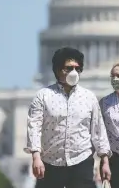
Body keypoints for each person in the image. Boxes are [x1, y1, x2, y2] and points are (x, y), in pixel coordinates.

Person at [25, 47, 112, 188]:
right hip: (50, 162)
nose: (74, 72)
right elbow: (34, 127)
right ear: (58, 70)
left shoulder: (89, 98)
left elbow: (98, 131)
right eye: (68, 68)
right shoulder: (43, 96)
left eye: (77, 69)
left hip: (81, 161)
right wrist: (36, 156)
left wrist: (105, 160)